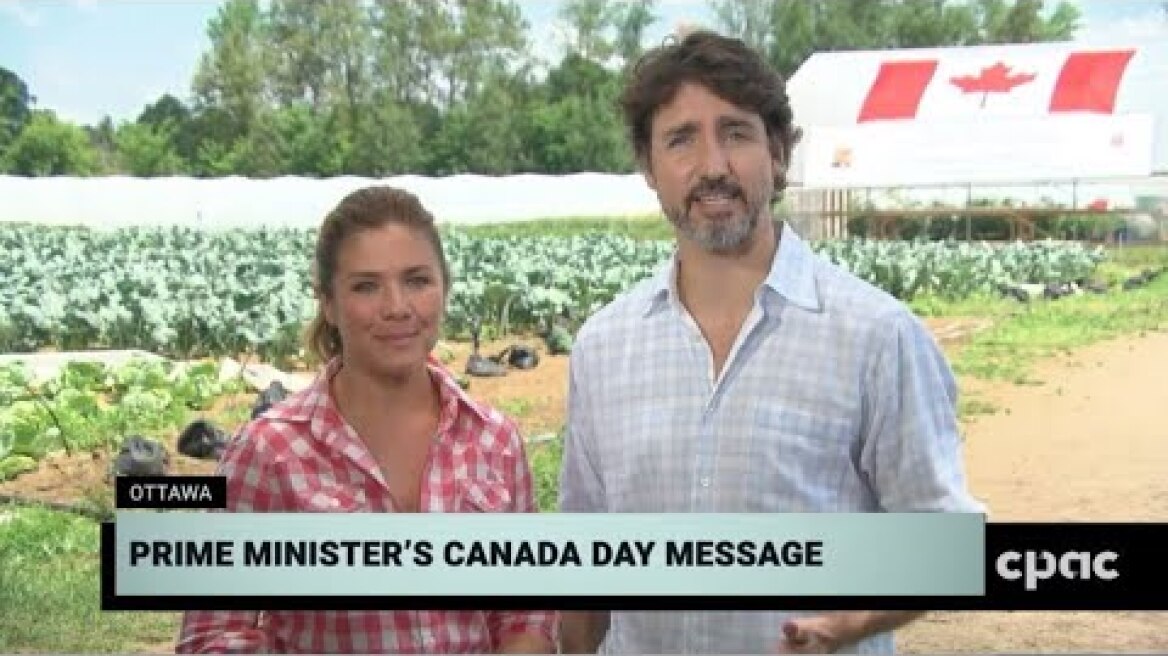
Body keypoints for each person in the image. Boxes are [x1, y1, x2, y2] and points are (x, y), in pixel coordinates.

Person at [557, 30, 986, 654]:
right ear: (649, 169)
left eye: (736, 133)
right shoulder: (602, 348)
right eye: (681, 140)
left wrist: (853, 621)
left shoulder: (875, 336)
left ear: (778, 154)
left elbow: (947, 545)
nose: (712, 167)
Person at [176, 186, 556, 654]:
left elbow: (525, 612)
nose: (397, 306)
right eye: (366, 286)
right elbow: (212, 633)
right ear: (329, 304)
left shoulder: (495, 440)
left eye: (417, 280)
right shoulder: (269, 452)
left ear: (444, 288)